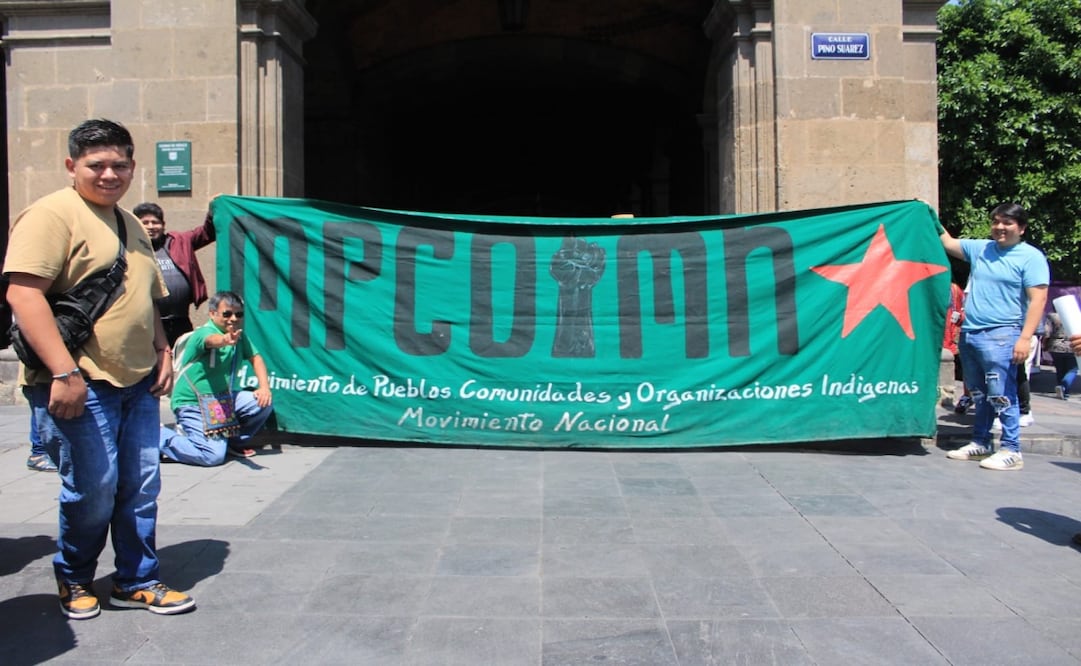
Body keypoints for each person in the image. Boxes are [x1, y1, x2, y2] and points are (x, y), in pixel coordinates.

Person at [3, 119, 195, 619]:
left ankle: (136, 579)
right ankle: (74, 575)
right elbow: (23, 295)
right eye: (97, 165)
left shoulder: (130, 223)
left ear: (132, 167)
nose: (110, 174)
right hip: (81, 382)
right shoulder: (50, 215)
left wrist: (162, 351)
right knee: (93, 489)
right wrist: (63, 373)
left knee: (141, 485)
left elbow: (147, 297)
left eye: (120, 165)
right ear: (72, 165)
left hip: (137, 380)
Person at [940, 202, 1049, 471]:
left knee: (1002, 392)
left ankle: (1011, 449)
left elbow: (1038, 299)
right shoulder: (982, 249)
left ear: (1021, 228)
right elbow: (947, 242)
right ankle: (981, 442)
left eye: (1007, 223)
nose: (1000, 227)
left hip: (1003, 333)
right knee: (979, 392)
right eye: (996, 221)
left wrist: (1024, 338)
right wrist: (926, 212)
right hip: (971, 332)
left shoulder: (1031, 257)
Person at [159, 291, 273, 466]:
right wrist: (225, 340)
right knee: (212, 456)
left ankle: (233, 442)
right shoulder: (204, 333)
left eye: (238, 314)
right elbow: (211, 340)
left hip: (221, 401)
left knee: (261, 402)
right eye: (227, 314)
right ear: (212, 314)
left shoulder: (239, 336)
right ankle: (158, 437)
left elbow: (256, 358)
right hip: (192, 403)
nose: (233, 319)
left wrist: (264, 387)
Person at [134, 201, 215, 347]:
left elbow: (207, 233)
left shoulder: (180, 241)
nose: (151, 227)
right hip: (148, 324)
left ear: (163, 225)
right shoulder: (130, 248)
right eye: (145, 223)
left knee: (183, 358)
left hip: (181, 321)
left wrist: (213, 209)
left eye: (155, 222)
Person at [1045, 311, 1078, 400]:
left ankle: (1061, 389)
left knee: (1060, 369)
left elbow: (1047, 332)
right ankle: (1064, 388)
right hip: (1072, 345)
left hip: (1056, 345)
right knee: (1073, 369)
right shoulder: (1076, 314)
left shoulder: (1052, 316)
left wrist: (1045, 344)